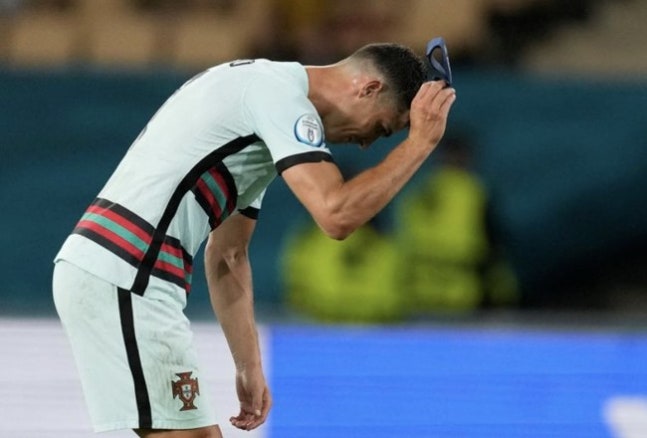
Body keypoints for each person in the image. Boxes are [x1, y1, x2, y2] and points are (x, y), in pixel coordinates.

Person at [52, 42, 456, 437]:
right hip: (128, 274)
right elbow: (336, 214)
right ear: (368, 88)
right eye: (381, 129)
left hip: (116, 271)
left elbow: (228, 253)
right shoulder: (279, 97)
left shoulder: (262, 98)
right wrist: (419, 145)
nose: (368, 143)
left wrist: (248, 366)